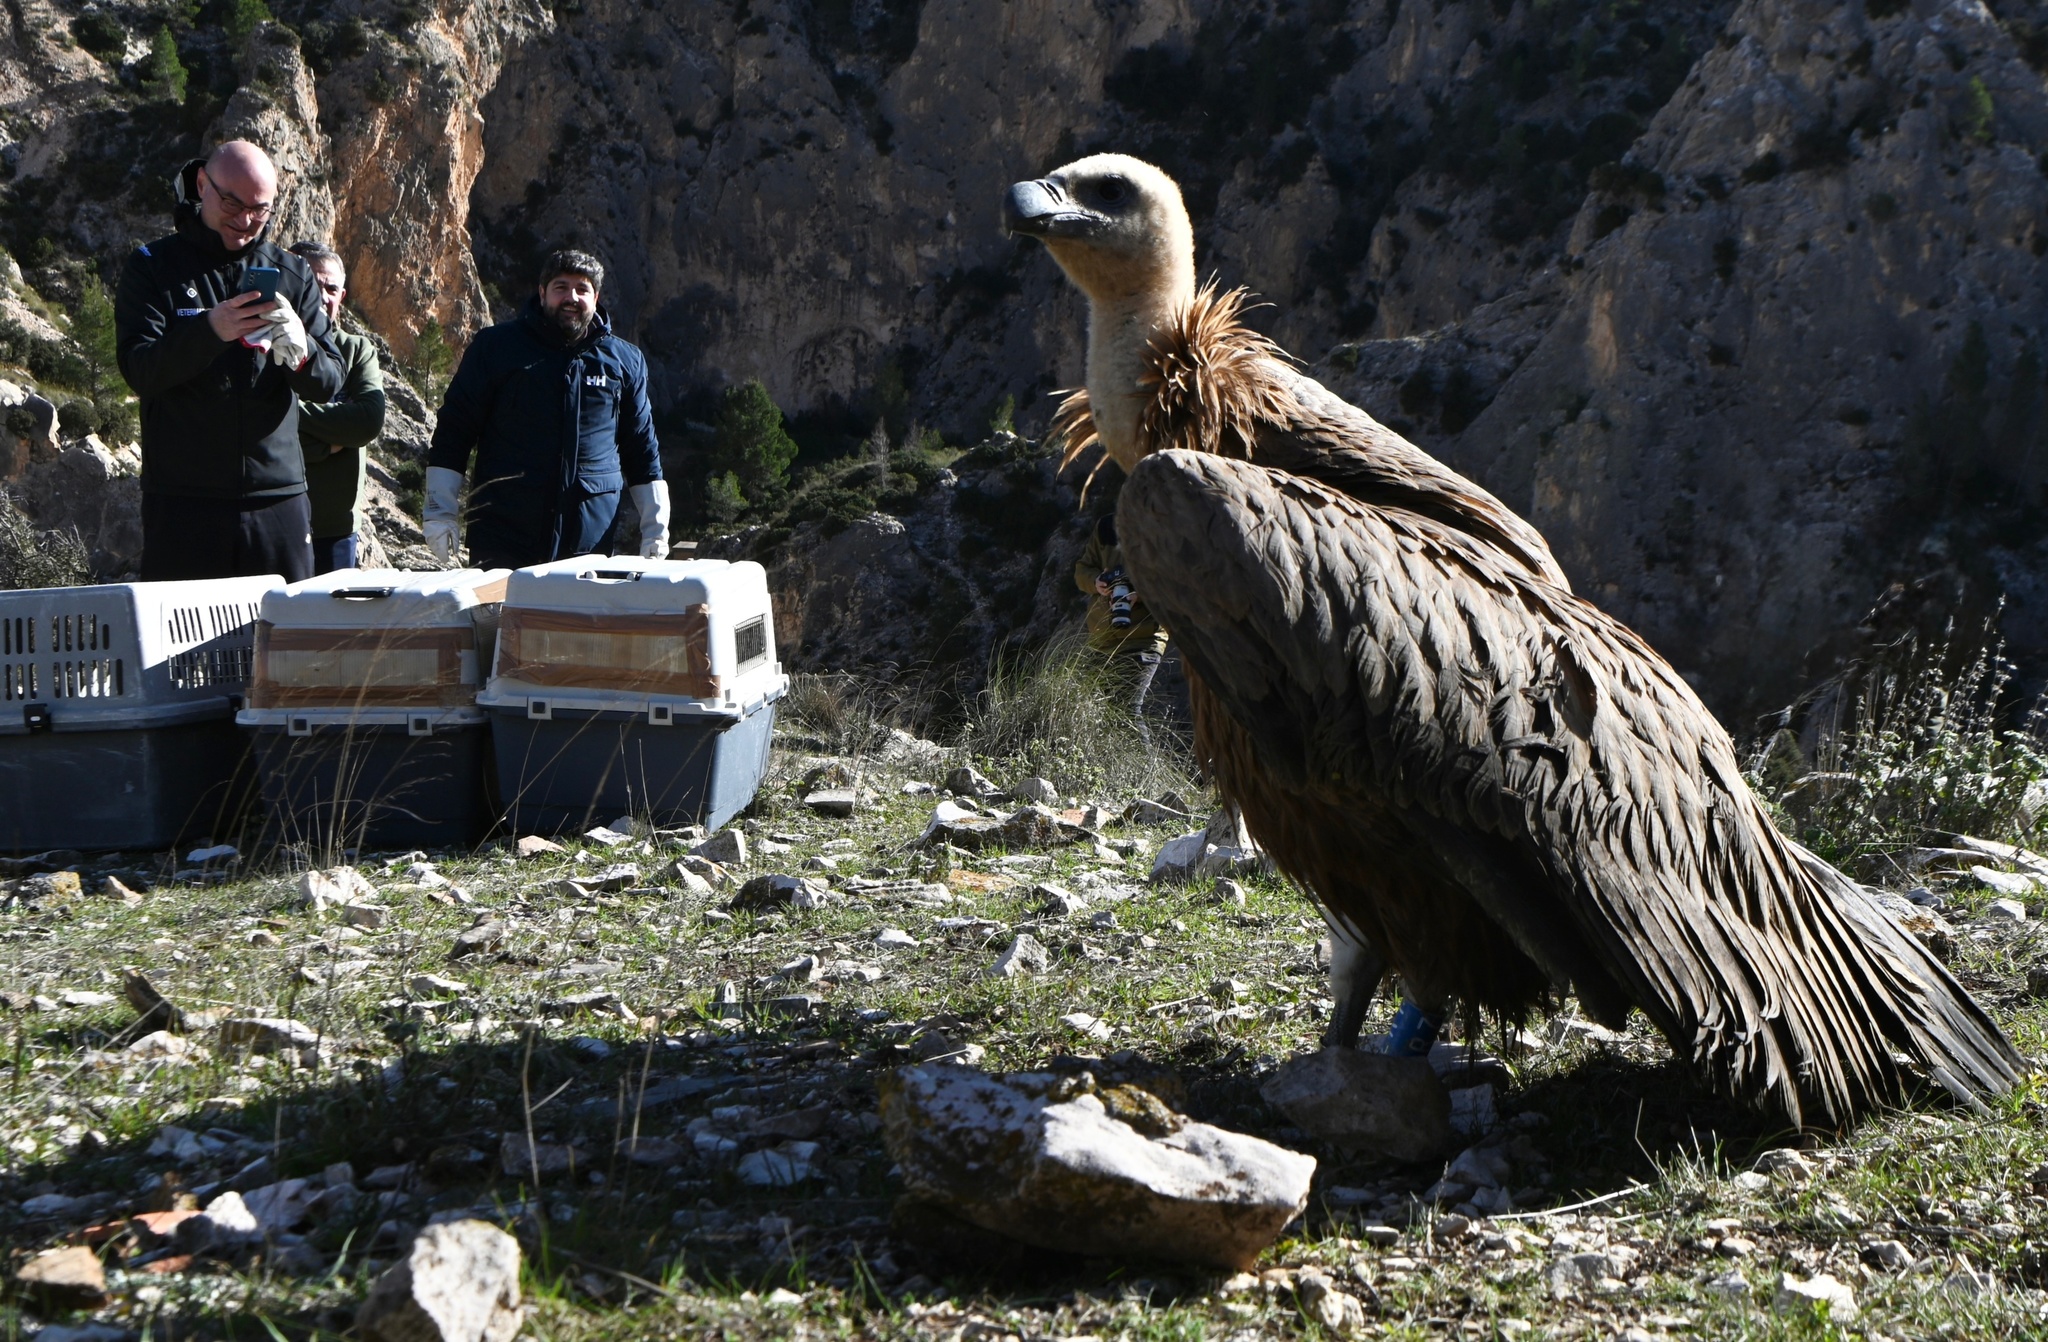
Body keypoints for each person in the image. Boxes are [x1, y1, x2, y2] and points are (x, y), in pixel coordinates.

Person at [115, 141, 344, 581]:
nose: (244, 221)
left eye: (259, 210)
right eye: (232, 203)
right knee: (182, 644)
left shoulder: (293, 275)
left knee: (283, 641)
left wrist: (302, 352)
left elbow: (329, 382)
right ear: (202, 185)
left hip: (276, 498)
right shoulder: (153, 267)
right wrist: (209, 331)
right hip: (184, 499)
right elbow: (140, 369)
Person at [423, 249, 668, 569]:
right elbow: (455, 430)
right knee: (500, 620)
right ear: (542, 293)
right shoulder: (496, 347)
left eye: (582, 289)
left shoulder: (625, 361)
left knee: (571, 622)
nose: (571, 297)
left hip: (588, 540)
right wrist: (440, 513)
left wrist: (655, 529)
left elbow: (641, 448)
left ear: (596, 297)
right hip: (503, 536)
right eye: (560, 287)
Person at [288, 242, 385, 574]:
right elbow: (255, 428)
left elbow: (367, 421)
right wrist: (329, 442)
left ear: (342, 296)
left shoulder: (357, 351)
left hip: (336, 533)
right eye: (313, 285)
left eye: (332, 288)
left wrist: (289, 415)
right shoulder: (265, 349)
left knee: (324, 626)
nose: (323, 296)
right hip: (276, 521)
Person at [1074, 512, 1170, 735]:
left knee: (1127, 710)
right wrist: (1096, 582)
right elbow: (1082, 569)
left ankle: (1146, 770)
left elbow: (1175, 580)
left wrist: (1140, 591)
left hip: (1143, 637)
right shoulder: (1107, 526)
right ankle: (1105, 769)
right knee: (1095, 712)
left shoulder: (1164, 528)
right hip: (1102, 639)